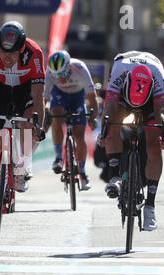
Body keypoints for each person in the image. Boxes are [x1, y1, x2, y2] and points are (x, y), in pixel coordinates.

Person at [0, 20, 46, 230]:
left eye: (12, 55)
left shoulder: (34, 53)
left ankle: (21, 165)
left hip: (25, 91)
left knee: (30, 124)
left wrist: (39, 124)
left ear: (22, 47)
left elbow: (39, 94)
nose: (8, 58)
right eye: (4, 54)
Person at [101, 51, 164, 231]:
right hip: (124, 99)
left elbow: (162, 111)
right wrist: (103, 132)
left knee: (154, 145)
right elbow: (109, 107)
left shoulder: (157, 76)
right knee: (111, 126)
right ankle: (115, 176)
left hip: (150, 103)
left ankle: (150, 205)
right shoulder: (119, 70)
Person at [44, 50, 98, 190]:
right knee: (56, 116)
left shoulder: (80, 68)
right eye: (57, 75)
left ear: (69, 67)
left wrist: (93, 117)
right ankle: (58, 157)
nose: (60, 78)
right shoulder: (49, 72)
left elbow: (92, 97)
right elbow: (43, 98)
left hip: (77, 97)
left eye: (62, 74)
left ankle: (82, 172)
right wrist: (43, 116)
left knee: (79, 135)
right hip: (59, 95)